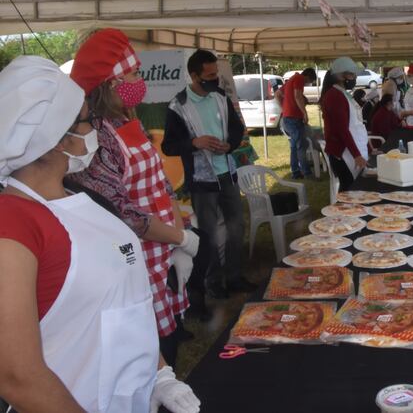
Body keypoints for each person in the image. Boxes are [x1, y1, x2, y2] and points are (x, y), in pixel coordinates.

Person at [0, 56, 200, 413]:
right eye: (86, 121)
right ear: (55, 138)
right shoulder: (12, 226)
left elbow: (124, 307)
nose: (95, 129)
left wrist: (159, 374)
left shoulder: (85, 198)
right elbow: (18, 376)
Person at [67, 29, 200, 366]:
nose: (141, 80)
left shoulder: (129, 121)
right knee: (151, 353)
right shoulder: (96, 137)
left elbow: (161, 182)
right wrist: (180, 237)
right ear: (112, 83)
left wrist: (177, 236)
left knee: (171, 342)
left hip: (163, 249)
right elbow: (121, 213)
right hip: (135, 260)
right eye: (135, 74)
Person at [162, 49, 252, 298]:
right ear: (194, 75)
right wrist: (195, 143)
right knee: (209, 234)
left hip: (228, 173)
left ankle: (234, 277)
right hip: (202, 180)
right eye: (209, 74)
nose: (215, 79)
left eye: (216, 74)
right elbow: (168, 146)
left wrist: (230, 144)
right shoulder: (178, 106)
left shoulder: (220, 97)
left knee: (236, 226)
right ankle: (213, 282)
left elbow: (236, 127)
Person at [320, 56, 368, 191]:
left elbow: (355, 124)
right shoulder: (334, 96)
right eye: (352, 75)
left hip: (352, 149)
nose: (354, 78)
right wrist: (357, 155)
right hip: (343, 153)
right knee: (349, 191)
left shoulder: (342, 93)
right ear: (341, 76)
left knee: (354, 191)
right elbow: (342, 129)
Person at [281, 67, 315, 179]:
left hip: (289, 117)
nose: (306, 85)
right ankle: (306, 173)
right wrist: (304, 112)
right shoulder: (299, 78)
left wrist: (285, 108)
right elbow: (297, 95)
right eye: (309, 82)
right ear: (308, 76)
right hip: (293, 118)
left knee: (296, 146)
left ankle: (296, 172)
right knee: (300, 146)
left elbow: (277, 94)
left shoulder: (292, 78)